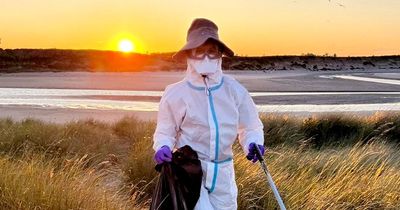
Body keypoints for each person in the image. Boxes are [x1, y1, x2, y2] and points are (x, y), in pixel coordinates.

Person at [153, 18, 265, 210]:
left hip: (224, 175)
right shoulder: (176, 93)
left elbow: (250, 126)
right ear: (189, 55)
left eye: (212, 51)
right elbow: (165, 131)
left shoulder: (234, 90)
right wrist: (163, 146)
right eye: (199, 51)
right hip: (190, 171)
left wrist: (253, 143)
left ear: (220, 54)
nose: (206, 57)